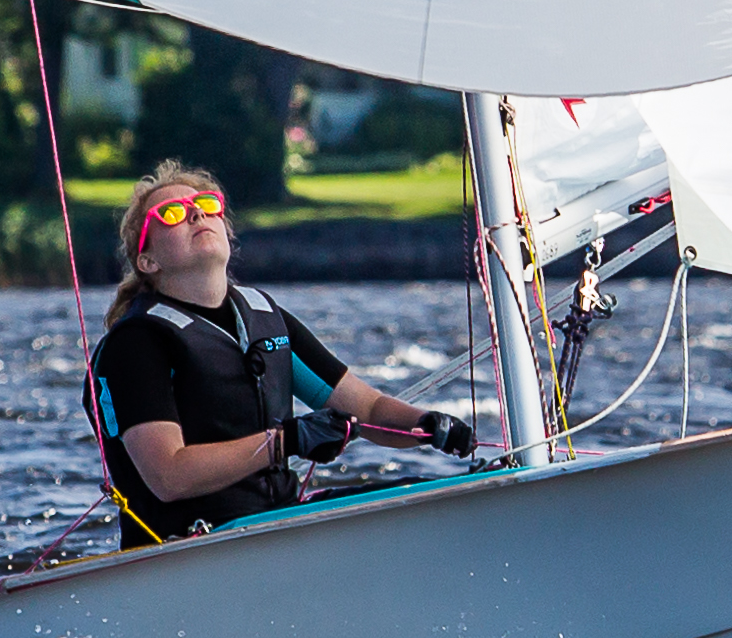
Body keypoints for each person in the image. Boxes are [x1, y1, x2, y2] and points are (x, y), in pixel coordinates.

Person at [89, 159, 477, 548]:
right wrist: (284, 442)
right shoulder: (136, 343)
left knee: (433, 495)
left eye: (207, 205)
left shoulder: (265, 318)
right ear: (148, 261)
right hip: (191, 548)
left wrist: (430, 427)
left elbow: (370, 410)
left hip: (276, 524)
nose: (194, 213)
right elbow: (168, 476)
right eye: (170, 214)